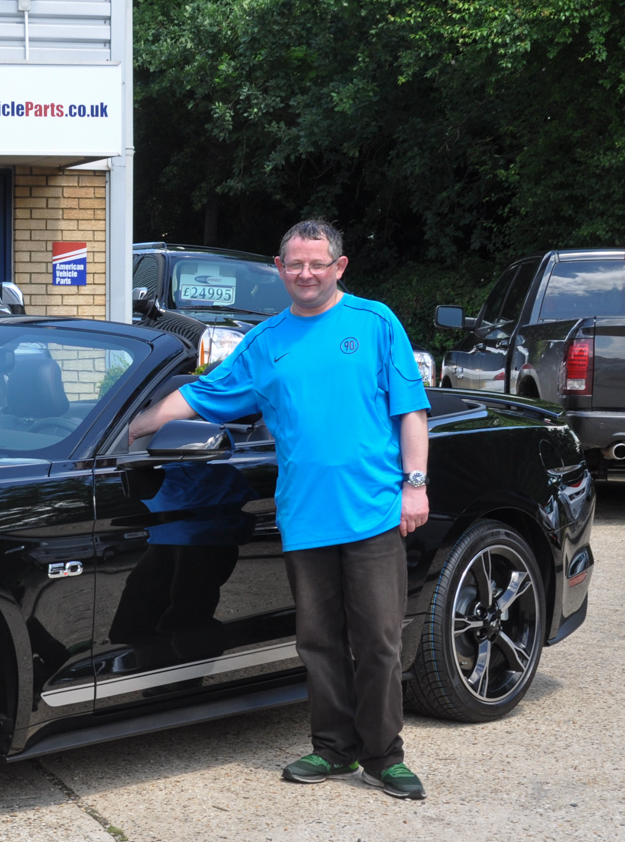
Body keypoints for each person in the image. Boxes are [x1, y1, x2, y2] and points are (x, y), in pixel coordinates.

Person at [127, 219, 430, 800]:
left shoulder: (374, 324)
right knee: (317, 641)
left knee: (378, 641)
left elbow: (410, 411)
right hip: (305, 516)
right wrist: (136, 428)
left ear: (339, 267)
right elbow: (199, 395)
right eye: (296, 263)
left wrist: (414, 485)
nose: (307, 273)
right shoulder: (265, 343)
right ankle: (332, 750)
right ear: (279, 266)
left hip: (371, 513)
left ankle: (384, 757)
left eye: (318, 263)